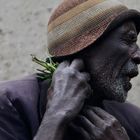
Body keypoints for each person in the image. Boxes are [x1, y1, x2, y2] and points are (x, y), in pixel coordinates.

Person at [0, 0, 140, 140]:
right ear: (84, 46)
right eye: (129, 39)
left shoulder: (133, 120)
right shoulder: (8, 104)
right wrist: (55, 118)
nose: (138, 55)